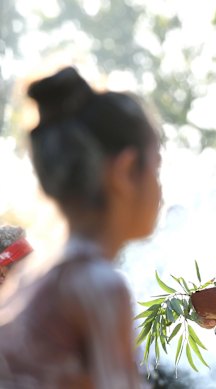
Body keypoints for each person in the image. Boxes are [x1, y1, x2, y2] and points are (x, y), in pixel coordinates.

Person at [0, 67, 161, 388]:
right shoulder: (97, 285)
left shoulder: (27, 281)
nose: (160, 188)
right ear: (126, 171)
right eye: (156, 167)